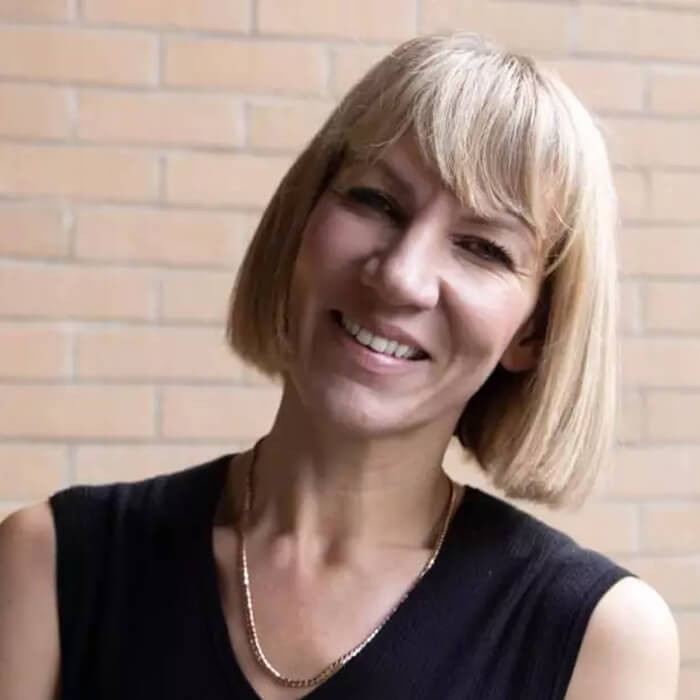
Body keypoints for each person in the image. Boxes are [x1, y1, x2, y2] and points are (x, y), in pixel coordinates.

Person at [0, 33, 679, 700]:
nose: (401, 276)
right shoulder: (51, 564)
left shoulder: (597, 639)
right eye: (376, 202)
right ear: (301, 223)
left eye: (480, 247)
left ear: (531, 332)